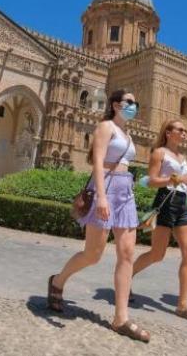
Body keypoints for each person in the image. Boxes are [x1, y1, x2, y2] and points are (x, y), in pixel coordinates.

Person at [47, 89, 150, 343]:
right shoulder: (105, 127)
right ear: (115, 105)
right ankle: (57, 281)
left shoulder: (128, 134)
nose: (133, 106)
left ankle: (121, 318)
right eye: (129, 102)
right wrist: (102, 197)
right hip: (104, 185)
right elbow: (97, 161)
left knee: (127, 253)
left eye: (135, 103)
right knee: (93, 254)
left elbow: (124, 163)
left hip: (126, 189)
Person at [131, 119, 187, 325]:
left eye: (186, 130)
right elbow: (151, 181)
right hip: (165, 202)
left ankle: (183, 305)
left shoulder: (182, 157)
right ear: (168, 133)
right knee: (157, 254)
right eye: (180, 130)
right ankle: (125, 279)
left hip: (182, 204)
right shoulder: (159, 153)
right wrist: (173, 180)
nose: (184, 133)